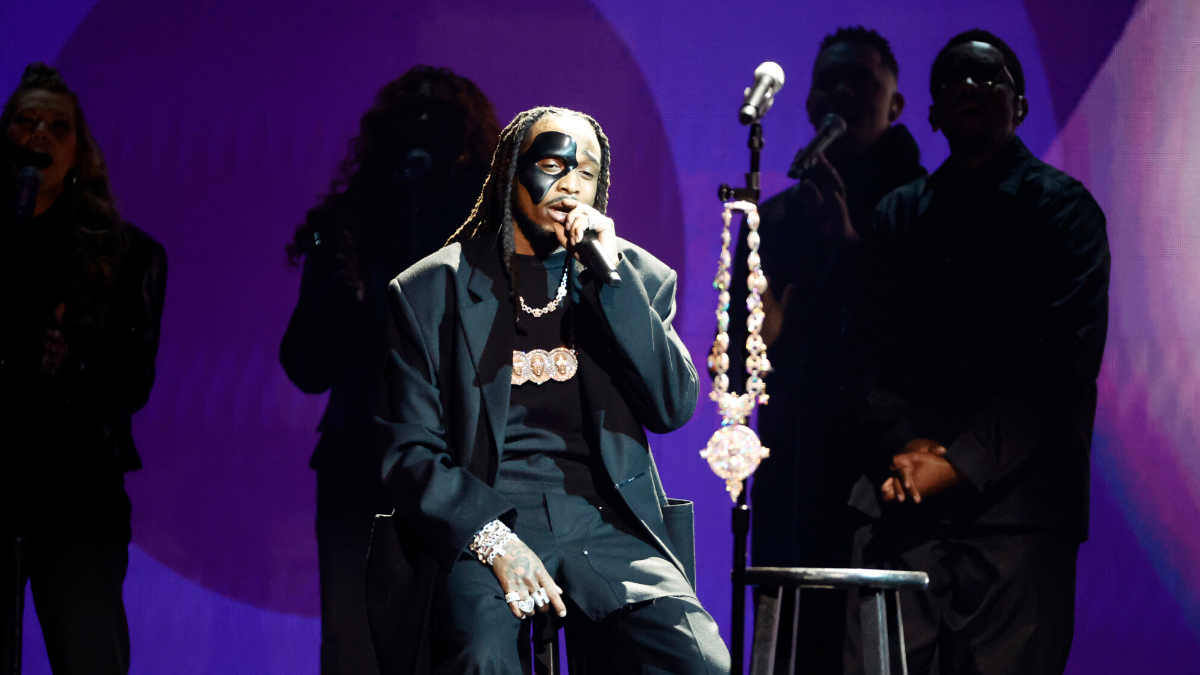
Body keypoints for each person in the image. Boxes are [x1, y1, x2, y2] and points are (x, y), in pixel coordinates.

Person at [374, 106, 730, 674]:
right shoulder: (431, 290)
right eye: (552, 165)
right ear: (512, 172)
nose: (570, 184)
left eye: (586, 172)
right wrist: (494, 542)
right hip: (489, 516)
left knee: (699, 660)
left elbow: (672, 407)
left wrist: (612, 281)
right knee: (481, 656)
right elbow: (409, 450)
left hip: (603, 518)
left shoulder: (635, 277)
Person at [844, 30, 1109, 675]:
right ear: (933, 112)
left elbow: (1058, 367)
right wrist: (905, 446)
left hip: (1018, 512)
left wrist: (959, 463)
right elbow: (863, 352)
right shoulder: (897, 216)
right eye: (955, 79)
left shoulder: (1065, 213)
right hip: (901, 503)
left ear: (1020, 106)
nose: (970, 87)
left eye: (989, 78)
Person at [279, 66, 498, 675]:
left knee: (457, 640)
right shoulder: (348, 224)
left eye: (440, 116)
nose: (422, 128)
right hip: (360, 457)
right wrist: (339, 303)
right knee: (354, 646)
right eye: (410, 116)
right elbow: (304, 364)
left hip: (459, 463)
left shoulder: (488, 230)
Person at [726, 26, 925, 673]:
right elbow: (743, 354)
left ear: (895, 104)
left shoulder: (919, 206)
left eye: (860, 81)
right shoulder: (779, 215)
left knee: (867, 641)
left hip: (885, 462)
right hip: (794, 457)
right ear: (809, 102)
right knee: (791, 632)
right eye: (828, 81)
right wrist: (764, 340)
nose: (841, 93)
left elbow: (920, 326)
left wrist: (847, 242)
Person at [0, 63, 167, 674]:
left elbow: (133, 381)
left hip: (75, 488)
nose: (39, 135)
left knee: (87, 653)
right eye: (26, 121)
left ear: (78, 153)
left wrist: (72, 357)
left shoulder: (127, 256)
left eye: (57, 126)